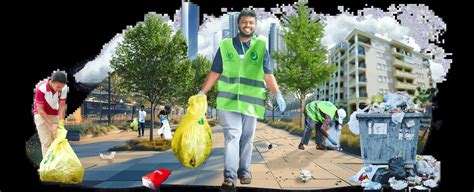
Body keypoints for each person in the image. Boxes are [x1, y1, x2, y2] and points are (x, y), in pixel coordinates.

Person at [198, 10, 286, 192]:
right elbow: (215, 72)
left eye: (251, 23)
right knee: (232, 137)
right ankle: (229, 177)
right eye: (244, 22)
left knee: (247, 138)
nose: (248, 25)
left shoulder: (261, 47)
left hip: (251, 103)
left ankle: (244, 170)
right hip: (228, 102)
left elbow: (268, 75)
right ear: (238, 24)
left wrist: (277, 93)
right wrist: (202, 92)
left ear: (255, 25)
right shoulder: (225, 46)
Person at [33, 70, 69, 157]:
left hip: (54, 114)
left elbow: (62, 106)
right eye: (57, 87)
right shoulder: (41, 89)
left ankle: (57, 164)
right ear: (52, 82)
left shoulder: (63, 88)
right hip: (41, 115)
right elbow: (40, 110)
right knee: (47, 142)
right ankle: (48, 167)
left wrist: (61, 121)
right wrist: (51, 125)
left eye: (61, 87)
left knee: (57, 140)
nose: (59, 90)